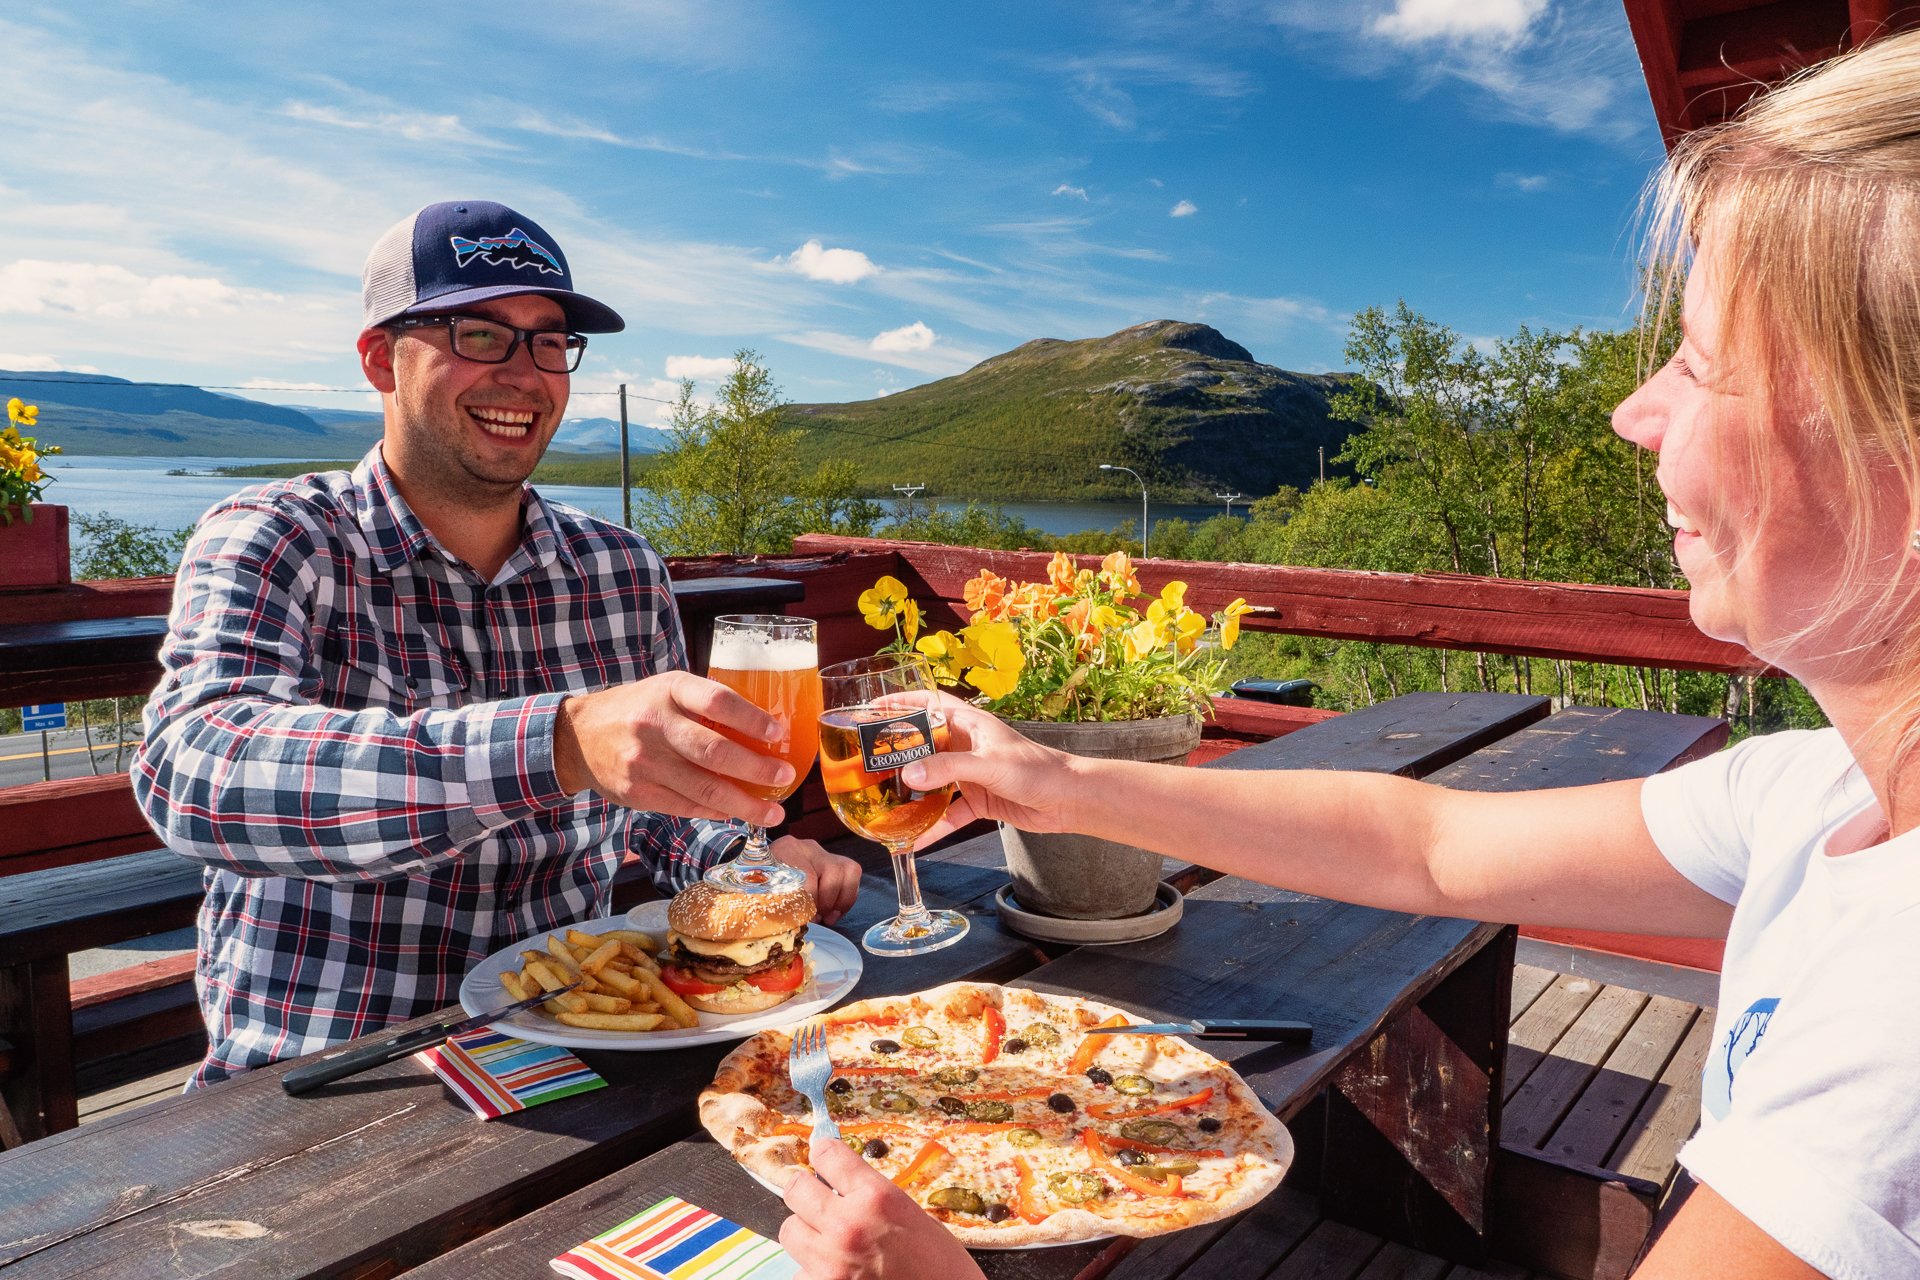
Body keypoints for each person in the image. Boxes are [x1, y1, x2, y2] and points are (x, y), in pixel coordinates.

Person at [775, 31, 1920, 1280]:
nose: (1632, 411)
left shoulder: (1896, 1022)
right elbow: (1431, 845)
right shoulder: (1824, 796)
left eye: (1702, 365)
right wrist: (1055, 779)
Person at [134, 200, 859, 1086]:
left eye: (549, 342)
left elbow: (656, 803)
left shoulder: (621, 568)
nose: (524, 375)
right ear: (379, 359)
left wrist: (743, 862)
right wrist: (557, 744)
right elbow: (196, 773)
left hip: (574, 1048)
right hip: (332, 1068)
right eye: (479, 335)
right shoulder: (281, 535)